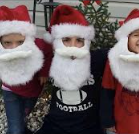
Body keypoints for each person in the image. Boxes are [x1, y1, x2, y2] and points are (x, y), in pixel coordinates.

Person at [34, 5, 106, 134]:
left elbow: (128, 54)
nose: (73, 47)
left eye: (79, 40)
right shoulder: (50, 61)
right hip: (56, 125)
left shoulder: (96, 59)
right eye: (66, 40)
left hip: (89, 126)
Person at [0, 5, 52, 134]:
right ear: (0, 40)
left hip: (32, 90)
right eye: (8, 43)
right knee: (15, 128)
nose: (15, 48)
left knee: (23, 115)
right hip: (10, 90)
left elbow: (48, 53)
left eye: (20, 42)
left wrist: (44, 72)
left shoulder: (38, 45)